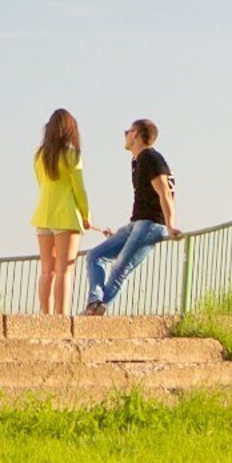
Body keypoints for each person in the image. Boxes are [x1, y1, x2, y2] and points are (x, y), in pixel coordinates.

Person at [80, 117, 177, 317]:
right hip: (136, 224)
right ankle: (95, 302)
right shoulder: (137, 160)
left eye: (128, 131)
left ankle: (93, 313)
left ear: (136, 134)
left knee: (119, 269)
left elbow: (165, 192)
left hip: (150, 224)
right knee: (94, 256)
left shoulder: (150, 157)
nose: (125, 135)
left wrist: (170, 225)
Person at [29, 108, 92, 315]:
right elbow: (79, 189)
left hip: (42, 215)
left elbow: (41, 184)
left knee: (47, 270)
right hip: (66, 215)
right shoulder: (71, 155)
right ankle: (61, 315)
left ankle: (45, 314)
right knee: (65, 269)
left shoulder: (39, 156)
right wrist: (86, 215)